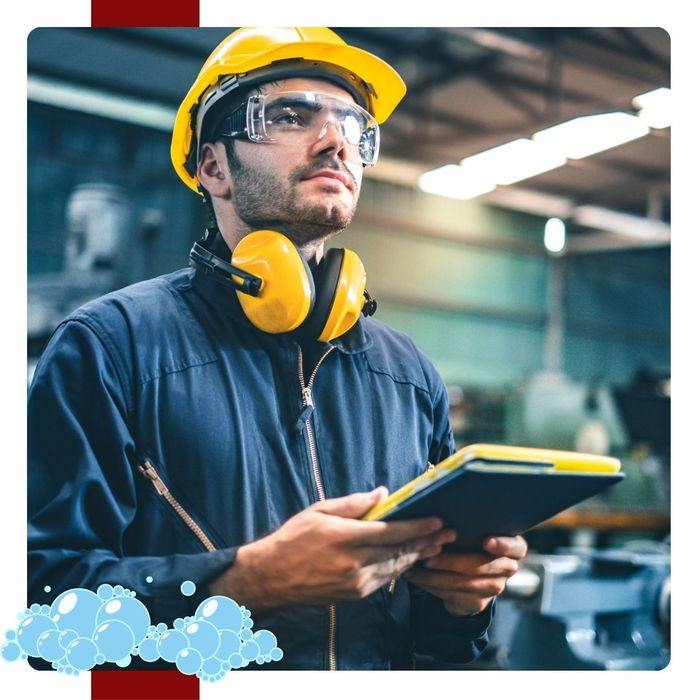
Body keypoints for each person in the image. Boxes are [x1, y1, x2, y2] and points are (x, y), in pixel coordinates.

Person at [28, 27, 527, 670]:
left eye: (353, 125)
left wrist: (463, 604)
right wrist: (248, 582)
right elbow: (41, 612)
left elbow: (435, 654)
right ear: (213, 166)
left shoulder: (408, 376)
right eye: (291, 116)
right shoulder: (109, 347)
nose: (336, 141)